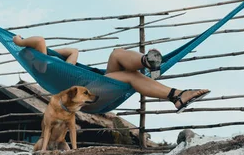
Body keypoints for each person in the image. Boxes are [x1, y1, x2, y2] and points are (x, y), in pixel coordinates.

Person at [12, 35, 210, 112]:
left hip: (97, 83)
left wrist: (54, 54)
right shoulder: (41, 67)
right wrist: (20, 42)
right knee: (132, 77)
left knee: (116, 53)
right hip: (89, 94)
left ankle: (146, 62)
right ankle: (176, 95)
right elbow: (38, 40)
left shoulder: (55, 64)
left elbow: (74, 52)